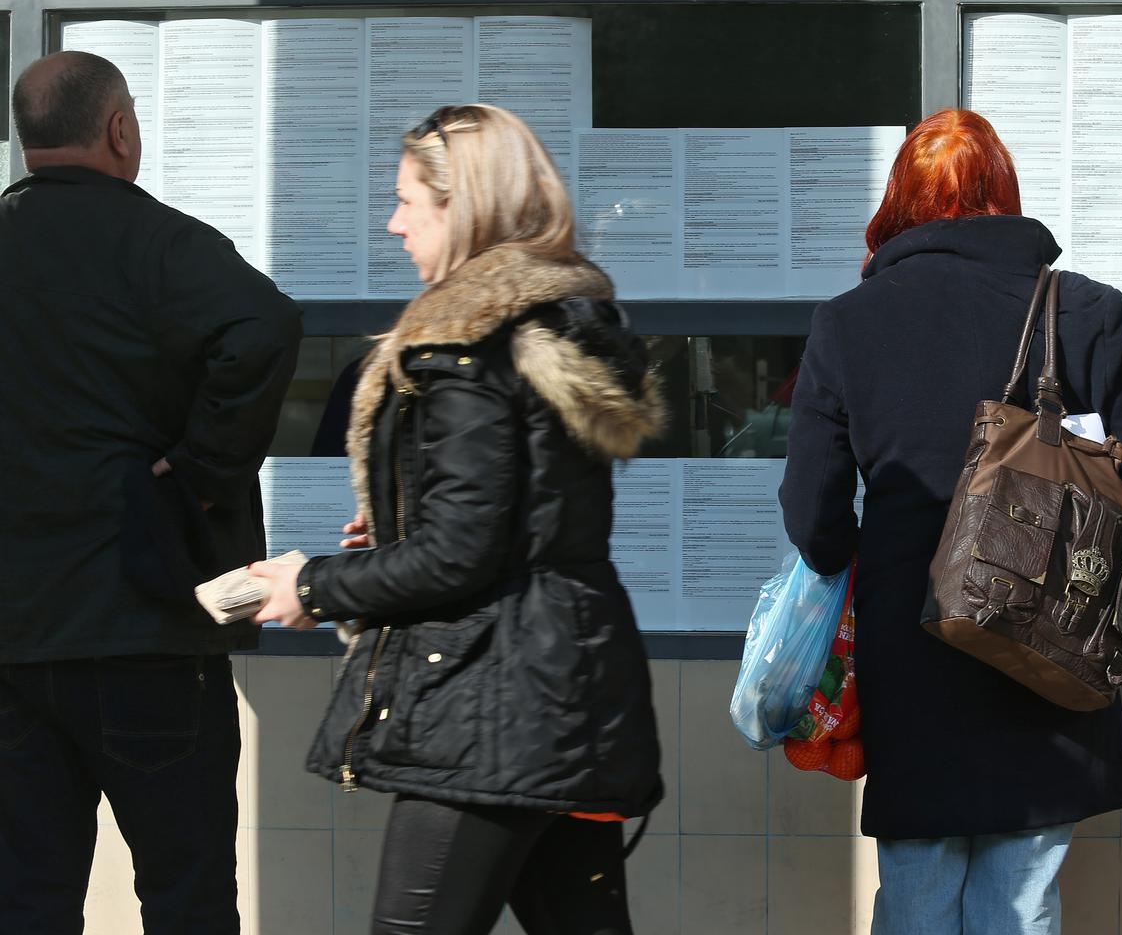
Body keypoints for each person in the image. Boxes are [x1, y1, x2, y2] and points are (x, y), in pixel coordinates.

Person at [251, 104, 665, 935]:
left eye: (409, 201)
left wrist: (314, 585)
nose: (393, 222)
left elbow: (460, 554)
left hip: (491, 704)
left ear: (464, 206)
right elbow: (512, 523)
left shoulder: (464, 351)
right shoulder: (552, 328)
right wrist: (401, 533)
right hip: (568, 688)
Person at [778, 108, 1122, 935]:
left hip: (911, 637)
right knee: (1021, 898)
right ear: (1005, 195)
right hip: (1049, 639)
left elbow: (811, 512)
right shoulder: (1084, 309)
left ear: (899, 204)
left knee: (917, 886)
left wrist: (866, 564)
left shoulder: (848, 322)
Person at [0, 51, 302, 933]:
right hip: (151, 628)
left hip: (14, 644)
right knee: (187, 894)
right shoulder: (161, 241)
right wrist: (201, 465)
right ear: (120, 130)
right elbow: (266, 325)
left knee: (26, 897)